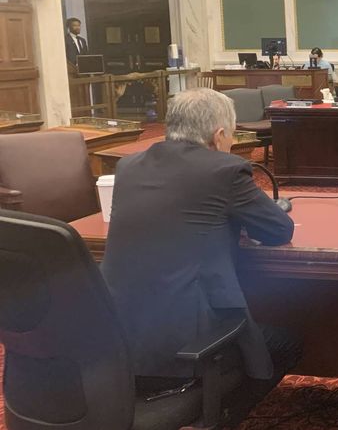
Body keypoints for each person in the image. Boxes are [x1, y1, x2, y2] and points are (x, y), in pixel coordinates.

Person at [100, 88, 301, 420]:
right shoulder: (225, 169)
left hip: (116, 349)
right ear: (218, 135)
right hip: (187, 352)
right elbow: (279, 230)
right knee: (286, 343)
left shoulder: (129, 167)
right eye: (232, 135)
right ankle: (220, 417)